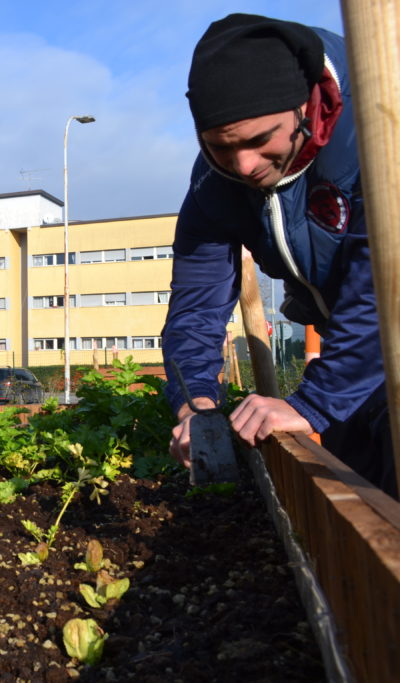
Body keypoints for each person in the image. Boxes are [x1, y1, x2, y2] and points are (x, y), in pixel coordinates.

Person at [162, 14, 396, 498]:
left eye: (259, 140)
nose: (243, 166)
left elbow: (385, 287)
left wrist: (314, 402)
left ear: (308, 105)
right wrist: (195, 403)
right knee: (358, 507)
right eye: (221, 147)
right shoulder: (215, 183)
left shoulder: (381, 123)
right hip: (355, 354)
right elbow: (196, 307)